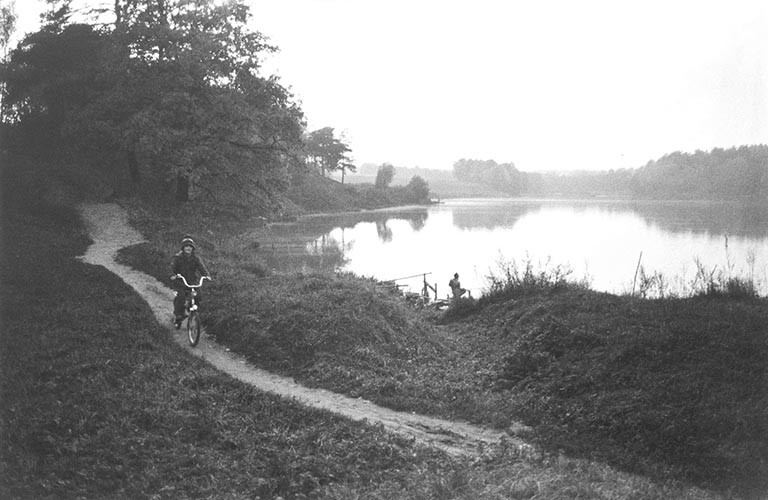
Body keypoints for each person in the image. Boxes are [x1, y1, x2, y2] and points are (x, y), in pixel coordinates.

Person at [171, 235, 211, 328]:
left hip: (192, 281)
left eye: (190, 247)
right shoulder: (177, 257)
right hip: (180, 281)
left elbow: (202, 267)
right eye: (186, 246)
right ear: (183, 248)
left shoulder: (196, 258)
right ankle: (178, 315)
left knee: (198, 295)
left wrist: (206, 275)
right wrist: (172, 275)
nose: (188, 248)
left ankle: (192, 311)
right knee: (180, 296)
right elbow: (172, 268)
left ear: (193, 248)